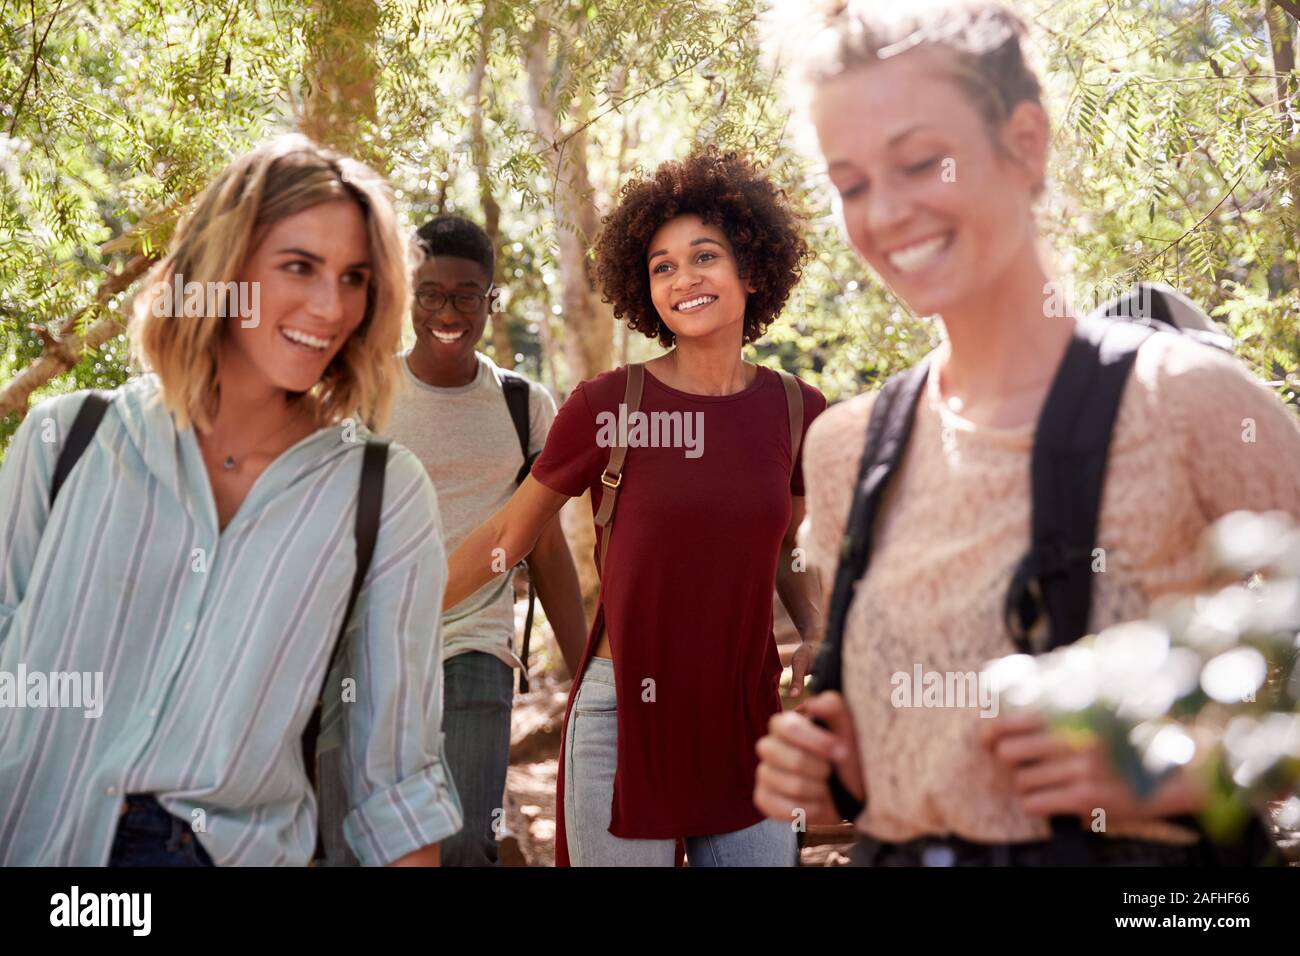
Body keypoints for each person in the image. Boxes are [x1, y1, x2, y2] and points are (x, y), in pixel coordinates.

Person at [753, 0, 1300, 865]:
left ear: (1026, 143)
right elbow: (906, 756)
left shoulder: (1186, 404)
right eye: (852, 183)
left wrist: (1190, 770)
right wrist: (848, 773)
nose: (886, 213)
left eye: (921, 161)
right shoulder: (848, 450)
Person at [0, 135, 461, 866]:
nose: (328, 304)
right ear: (224, 267)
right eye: (299, 266)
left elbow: (397, 776)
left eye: (353, 277)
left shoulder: (381, 492)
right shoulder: (64, 443)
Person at [444, 147, 827, 866]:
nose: (684, 279)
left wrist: (815, 626)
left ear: (752, 266)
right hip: (623, 717)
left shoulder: (796, 410)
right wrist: (391, 613)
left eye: (704, 257)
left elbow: (787, 545)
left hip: (744, 723)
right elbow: (509, 532)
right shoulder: (608, 405)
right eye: (662, 266)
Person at [384, 213, 587, 867]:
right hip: (371, 648)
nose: (448, 309)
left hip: (476, 646)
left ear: (489, 299)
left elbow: (546, 545)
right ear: (408, 295)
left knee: (467, 840)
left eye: (466, 294)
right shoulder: (364, 392)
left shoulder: (524, 404)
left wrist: (587, 670)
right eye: (431, 292)